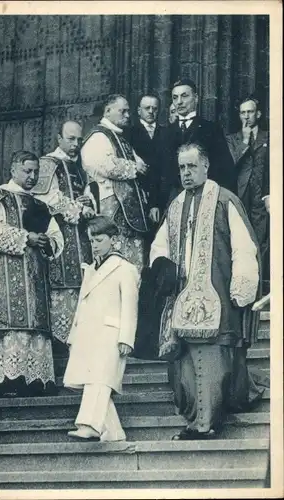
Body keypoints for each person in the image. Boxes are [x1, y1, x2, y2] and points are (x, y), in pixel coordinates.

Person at [147, 143, 262, 439]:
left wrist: (242, 286)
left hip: (218, 294)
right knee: (185, 361)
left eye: (191, 166)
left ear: (206, 166)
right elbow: (161, 245)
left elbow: (244, 248)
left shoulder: (224, 200)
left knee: (214, 358)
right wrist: (163, 267)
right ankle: (195, 419)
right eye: (182, 167)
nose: (186, 173)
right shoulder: (175, 205)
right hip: (184, 295)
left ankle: (205, 424)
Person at [0, 151, 64, 397]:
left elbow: (57, 237)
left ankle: (33, 378)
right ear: (14, 170)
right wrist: (28, 237)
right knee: (8, 324)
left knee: (34, 323)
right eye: (27, 171)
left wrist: (48, 243)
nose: (32, 176)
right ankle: (2, 380)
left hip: (36, 275)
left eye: (36, 171)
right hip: (5, 272)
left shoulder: (40, 204)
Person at [63, 216, 140, 442]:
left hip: (110, 334)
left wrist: (126, 338)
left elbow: (130, 305)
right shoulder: (92, 268)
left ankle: (89, 425)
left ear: (113, 239)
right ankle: (114, 433)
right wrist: (73, 335)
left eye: (99, 239)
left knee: (99, 380)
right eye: (91, 240)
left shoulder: (125, 268)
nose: (94, 244)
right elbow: (82, 304)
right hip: (89, 334)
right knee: (96, 380)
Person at [33, 120, 99, 344]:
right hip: (59, 231)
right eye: (70, 139)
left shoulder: (80, 167)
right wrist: (76, 208)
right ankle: (61, 342)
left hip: (81, 234)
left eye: (79, 139)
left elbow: (90, 193)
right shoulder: (48, 163)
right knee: (62, 286)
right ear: (59, 139)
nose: (76, 144)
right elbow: (45, 196)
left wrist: (88, 204)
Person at [81, 94, 150, 271]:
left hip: (127, 207)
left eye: (128, 111)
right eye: (123, 111)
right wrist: (134, 168)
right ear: (108, 111)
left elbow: (142, 164)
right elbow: (104, 164)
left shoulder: (120, 138)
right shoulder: (98, 136)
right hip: (110, 204)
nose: (128, 115)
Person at [165, 78, 236, 201]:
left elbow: (224, 167)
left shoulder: (211, 129)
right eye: (175, 97)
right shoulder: (166, 132)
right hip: (173, 199)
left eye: (184, 96)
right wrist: (155, 203)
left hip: (204, 196)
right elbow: (161, 170)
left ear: (196, 98)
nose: (179, 102)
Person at [226, 97, 269, 293]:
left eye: (250, 112)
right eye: (242, 112)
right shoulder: (232, 139)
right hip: (239, 194)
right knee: (242, 239)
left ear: (258, 114)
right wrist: (244, 140)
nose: (246, 116)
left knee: (261, 239)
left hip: (260, 196)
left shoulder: (268, 137)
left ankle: (260, 287)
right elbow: (231, 164)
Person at [124, 93, 168, 223]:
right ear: (138, 110)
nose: (151, 112)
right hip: (138, 194)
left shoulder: (167, 133)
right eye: (147, 108)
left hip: (162, 195)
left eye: (154, 108)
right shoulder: (128, 133)